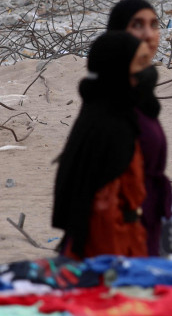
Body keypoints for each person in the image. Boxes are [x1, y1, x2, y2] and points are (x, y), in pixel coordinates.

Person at [52, 31, 156, 259]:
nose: (148, 72)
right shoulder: (112, 126)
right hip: (110, 245)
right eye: (140, 64)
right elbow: (105, 209)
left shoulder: (101, 109)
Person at [107, 0, 172, 256]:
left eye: (154, 25)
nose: (148, 34)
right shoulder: (110, 95)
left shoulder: (142, 93)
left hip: (146, 222)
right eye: (137, 25)